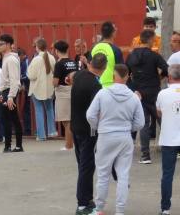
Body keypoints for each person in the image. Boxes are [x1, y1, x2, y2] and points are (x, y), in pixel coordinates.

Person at [87, 64, 144, 215]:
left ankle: (99, 208)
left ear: (113, 77)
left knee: (103, 174)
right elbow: (140, 123)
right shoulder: (134, 97)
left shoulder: (102, 93)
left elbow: (90, 115)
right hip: (125, 137)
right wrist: (128, 128)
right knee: (123, 174)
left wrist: (99, 126)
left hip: (106, 136)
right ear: (128, 77)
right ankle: (120, 210)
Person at [71, 53, 107, 215]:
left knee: (83, 164)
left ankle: (86, 198)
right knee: (87, 166)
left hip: (75, 126)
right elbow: (96, 111)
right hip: (88, 130)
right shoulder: (95, 86)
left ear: (90, 63)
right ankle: (83, 204)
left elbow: (71, 77)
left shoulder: (79, 75)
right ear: (105, 68)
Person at [126, 29, 168, 165]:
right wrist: (159, 78)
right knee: (163, 121)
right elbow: (166, 69)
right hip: (154, 92)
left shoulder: (131, 56)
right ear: (149, 40)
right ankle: (174, 149)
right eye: (153, 39)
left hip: (139, 93)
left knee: (144, 124)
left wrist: (133, 87)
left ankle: (145, 156)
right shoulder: (154, 56)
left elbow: (125, 74)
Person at [156, 64, 180, 215]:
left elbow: (159, 113)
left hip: (169, 138)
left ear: (169, 77)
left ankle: (165, 208)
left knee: (167, 174)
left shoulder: (162, 94)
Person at [0, 34, 24, 152]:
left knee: (10, 118)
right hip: (6, 91)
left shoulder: (11, 59)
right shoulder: (6, 58)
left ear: (8, 45)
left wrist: (10, 96)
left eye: (1, 44)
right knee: (9, 118)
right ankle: (11, 145)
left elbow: (14, 80)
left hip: (9, 91)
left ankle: (14, 145)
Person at [27, 38, 57, 141]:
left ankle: (41, 135)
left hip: (37, 88)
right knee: (49, 109)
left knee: (39, 110)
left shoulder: (36, 59)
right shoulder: (52, 57)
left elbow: (31, 75)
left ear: (37, 47)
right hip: (49, 88)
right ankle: (52, 131)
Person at [52, 40, 79, 151]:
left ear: (56, 51)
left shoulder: (59, 64)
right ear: (68, 49)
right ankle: (72, 143)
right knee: (71, 119)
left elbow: (55, 82)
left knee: (66, 120)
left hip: (63, 92)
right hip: (74, 90)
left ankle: (69, 145)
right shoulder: (73, 62)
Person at [91, 21, 124, 88]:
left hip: (95, 86)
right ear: (113, 33)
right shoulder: (116, 50)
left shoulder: (94, 48)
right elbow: (121, 71)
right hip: (111, 87)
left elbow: (89, 66)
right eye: (115, 29)